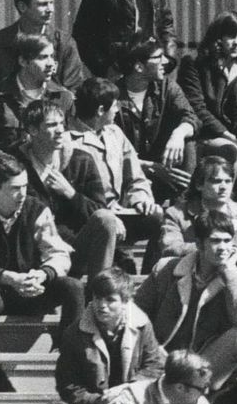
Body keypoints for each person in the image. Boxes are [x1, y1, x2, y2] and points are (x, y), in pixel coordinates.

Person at [0, 150, 83, 341]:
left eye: (25, 186)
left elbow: (58, 253)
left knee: (73, 287)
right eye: (15, 188)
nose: (22, 194)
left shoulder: (36, 209)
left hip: (33, 289)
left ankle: (70, 352)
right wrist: (7, 277)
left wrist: (42, 274)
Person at [134, 211, 237, 388]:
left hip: (204, 363)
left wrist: (228, 272)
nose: (223, 248)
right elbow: (136, 314)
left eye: (227, 241)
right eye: (215, 241)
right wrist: (153, 352)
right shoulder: (166, 269)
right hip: (161, 357)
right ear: (199, 244)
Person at [67, 77, 165, 264]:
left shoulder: (115, 134)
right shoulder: (69, 141)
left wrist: (141, 198)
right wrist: (107, 216)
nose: (118, 109)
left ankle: (148, 274)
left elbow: (135, 176)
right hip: (88, 218)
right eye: (114, 105)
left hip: (121, 211)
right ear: (100, 111)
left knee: (157, 217)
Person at [13, 99, 115, 276]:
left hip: (75, 248)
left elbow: (99, 210)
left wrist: (71, 194)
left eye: (62, 124)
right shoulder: (16, 164)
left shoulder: (81, 161)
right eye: (52, 125)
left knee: (106, 219)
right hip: (34, 252)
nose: (60, 130)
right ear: (32, 130)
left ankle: (99, 295)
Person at [55, 268, 166, 404]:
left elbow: (154, 367)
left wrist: (127, 394)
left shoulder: (142, 326)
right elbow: (68, 385)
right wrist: (99, 402)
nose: (102, 305)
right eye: (97, 298)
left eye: (110, 300)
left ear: (125, 301)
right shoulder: (74, 333)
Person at [153, 155, 237, 274]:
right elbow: (170, 247)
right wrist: (212, 250)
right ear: (199, 185)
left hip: (233, 275)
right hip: (193, 273)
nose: (223, 187)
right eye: (216, 181)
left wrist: (235, 251)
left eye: (228, 181)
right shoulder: (177, 213)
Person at [111, 34, 198, 200]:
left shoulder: (167, 87)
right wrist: (148, 167)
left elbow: (191, 117)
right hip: (129, 172)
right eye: (158, 57)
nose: (165, 61)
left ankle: (183, 205)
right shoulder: (113, 94)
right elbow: (109, 148)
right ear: (139, 67)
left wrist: (178, 135)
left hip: (164, 167)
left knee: (188, 141)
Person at [0, 0, 87, 91]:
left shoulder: (64, 44)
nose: (50, 9)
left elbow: (73, 91)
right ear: (22, 7)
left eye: (51, 2)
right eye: (43, 4)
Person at [0, 33, 77, 153]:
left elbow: (71, 144)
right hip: (10, 168)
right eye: (42, 57)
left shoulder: (63, 97)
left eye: (52, 56)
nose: (51, 64)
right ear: (23, 61)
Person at [176, 11, 237, 165]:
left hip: (231, 137)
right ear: (218, 36)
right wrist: (226, 134)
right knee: (229, 149)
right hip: (200, 134)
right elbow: (196, 107)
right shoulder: (195, 62)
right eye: (231, 36)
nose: (236, 43)